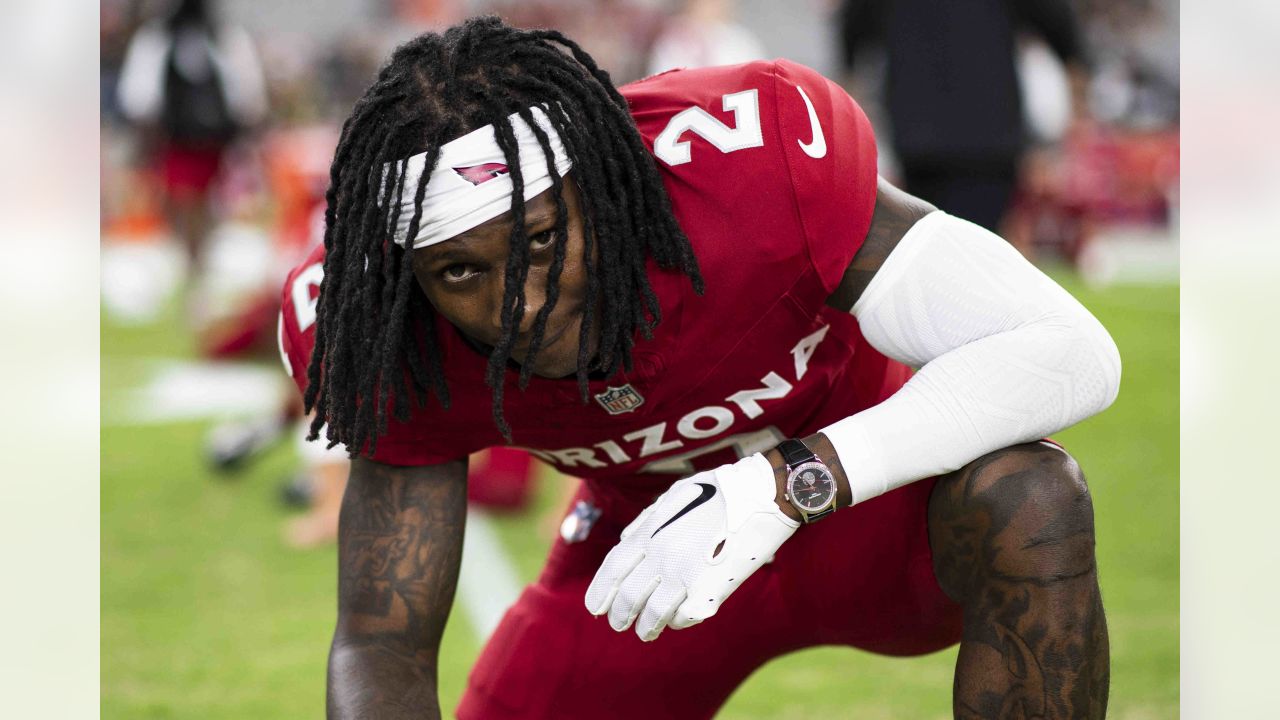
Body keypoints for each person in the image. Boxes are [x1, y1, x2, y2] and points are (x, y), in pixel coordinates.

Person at [279, 17, 1120, 719]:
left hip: (877, 514)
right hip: (642, 563)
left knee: (1030, 493)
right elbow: (381, 640)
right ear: (408, 276)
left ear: (611, 191)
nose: (520, 306)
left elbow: (1071, 351)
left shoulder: (745, 167)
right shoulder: (378, 325)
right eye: (462, 272)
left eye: (543, 241)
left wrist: (787, 485)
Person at [836, 0, 1092, 233]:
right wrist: (1078, 111)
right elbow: (1064, 33)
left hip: (920, 136)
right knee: (977, 249)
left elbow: (850, 41)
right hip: (987, 138)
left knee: (933, 245)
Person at [117, 0, 267, 277]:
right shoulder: (159, 38)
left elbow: (244, 92)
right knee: (184, 202)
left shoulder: (223, 37)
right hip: (177, 141)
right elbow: (141, 96)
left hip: (214, 143)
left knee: (207, 206)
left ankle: (198, 260)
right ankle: (191, 259)